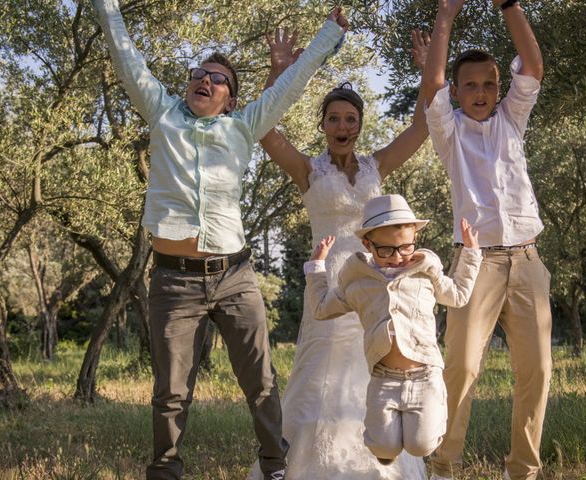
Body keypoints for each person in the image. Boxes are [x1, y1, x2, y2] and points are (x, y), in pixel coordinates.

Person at [90, 1, 347, 479]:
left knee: (261, 381)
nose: (203, 80)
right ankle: (165, 471)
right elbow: (125, 55)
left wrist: (328, 35)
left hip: (234, 276)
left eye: (216, 78)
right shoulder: (162, 114)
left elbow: (292, 85)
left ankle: (274, 465)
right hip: (173, 283)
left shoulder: (244, 125)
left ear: (230, 98)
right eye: (197, 74)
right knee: (170, 389)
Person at [247, 28, 433, 479]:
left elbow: (423, 125)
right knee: (317, 366)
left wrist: (429, 70)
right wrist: (278, 72)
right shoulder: (308, 171)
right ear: (323, 125)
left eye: (350, 119)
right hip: (326, 281)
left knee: (375, 364)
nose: (343, 127)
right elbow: (264, 129)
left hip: (372, 281)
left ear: (360, 124)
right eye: (334, 119)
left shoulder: (377, 166)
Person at [423, 1, 552, 479]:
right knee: (459, 371)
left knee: (537, 374)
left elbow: (533, 66)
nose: (480, 92)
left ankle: (523, 470)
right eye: (470, 85)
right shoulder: (449, 131)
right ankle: (442, 464)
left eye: (489, 84)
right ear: (457, 92)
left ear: (501, 87)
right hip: (474, 265)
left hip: (527, 259)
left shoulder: (512, 119)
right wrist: (445, 17)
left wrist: (508, 5)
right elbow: (432, 84)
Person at [305, 194, 482, 466]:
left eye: (405, 248)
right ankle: (386, 446)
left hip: (425, 375)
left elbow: (457, 295)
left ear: (414, 242)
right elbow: (321, 309)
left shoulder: (426, 272)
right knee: (384, 448)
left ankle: (429, 425)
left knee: (421, 445)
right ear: (368, 244)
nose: (397, 258)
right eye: (386, 251)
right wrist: (316, 268)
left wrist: (470, 253)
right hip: (383, 379)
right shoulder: (357, 281)